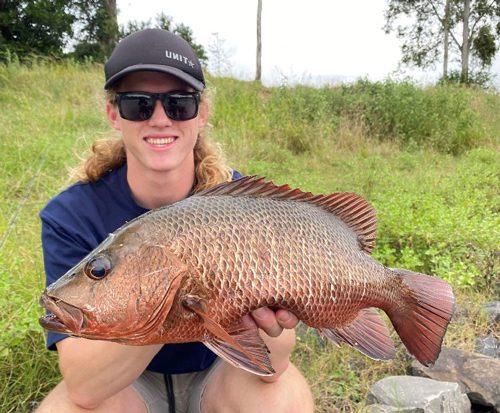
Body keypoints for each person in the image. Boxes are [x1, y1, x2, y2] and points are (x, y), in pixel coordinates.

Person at [36, 29, 314, 413]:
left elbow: (273, 366)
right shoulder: (71, 215)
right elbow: (84, 387)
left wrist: (272, 319)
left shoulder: (247, 207)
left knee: (283, 401)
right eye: (139, 104)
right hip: (129, 385)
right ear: (113, 114)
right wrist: (163, 293)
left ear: (202, 113)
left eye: (179, 103)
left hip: (222, 371)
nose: (161, 119)